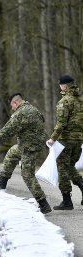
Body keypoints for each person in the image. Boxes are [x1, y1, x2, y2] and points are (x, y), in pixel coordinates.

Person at [0, 93, 52, 214]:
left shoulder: (19, 113)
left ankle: (43, 203)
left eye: (12, 106)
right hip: (33, 144)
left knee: (27, 175)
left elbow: (7, 130)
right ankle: (3, 181)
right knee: (12, 152)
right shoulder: (34, 110)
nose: (12, 109)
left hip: (29, 148)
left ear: (15, 103)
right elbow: (41, 128)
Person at [47, 75, 83, 210]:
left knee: (62, 168)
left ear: (65, 86)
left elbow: (61, 123)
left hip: (66, 140)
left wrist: (53, 138)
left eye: (60, 85)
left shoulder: (64, 101)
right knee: (70, 167)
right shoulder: (80, 100)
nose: (59, 87)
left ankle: (67, 201)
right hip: (78, 140)